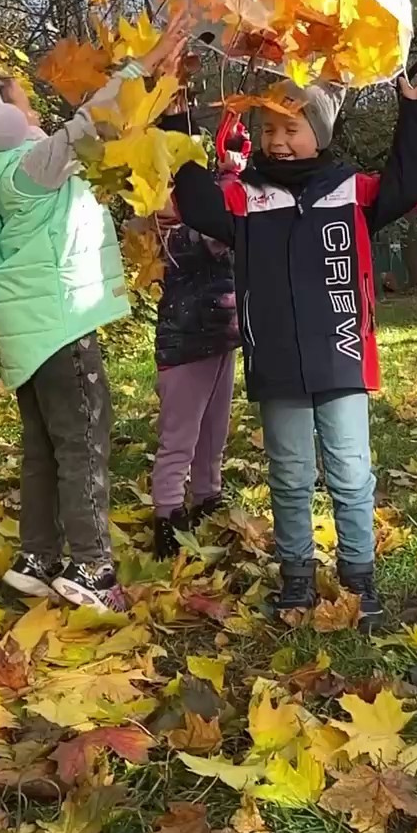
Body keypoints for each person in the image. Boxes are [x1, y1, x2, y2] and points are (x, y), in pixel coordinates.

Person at [162, 64, 417, 630]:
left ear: (320, 130)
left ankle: (359, 578)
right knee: (289, 474)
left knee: (349, 471)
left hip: (342, 356)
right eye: (268, 130)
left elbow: (411, 184)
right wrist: (176, 118)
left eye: (291, 128)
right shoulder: (244, 199)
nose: (278, 141)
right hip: (277, 362)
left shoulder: (353, 193)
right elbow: (194, 202)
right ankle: (296, 578)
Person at [0, 28, 183, 611]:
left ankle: (36, 558)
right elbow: (90, 123)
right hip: (59, 324)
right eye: (25, 104)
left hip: (27, 329)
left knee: (44, 446)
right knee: (84, 441)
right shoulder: (27, 168)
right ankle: (92, 569)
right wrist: (143, 67)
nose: (36, 112)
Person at [149, 113, 251, 559]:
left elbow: (229, 233)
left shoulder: (208, 201)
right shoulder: (162, 218)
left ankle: (208, 494)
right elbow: (210, 238)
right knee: (180, 432)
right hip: (185, 336)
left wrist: (232, 176)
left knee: (215, 426)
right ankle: (168, 513)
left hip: (221, 332)